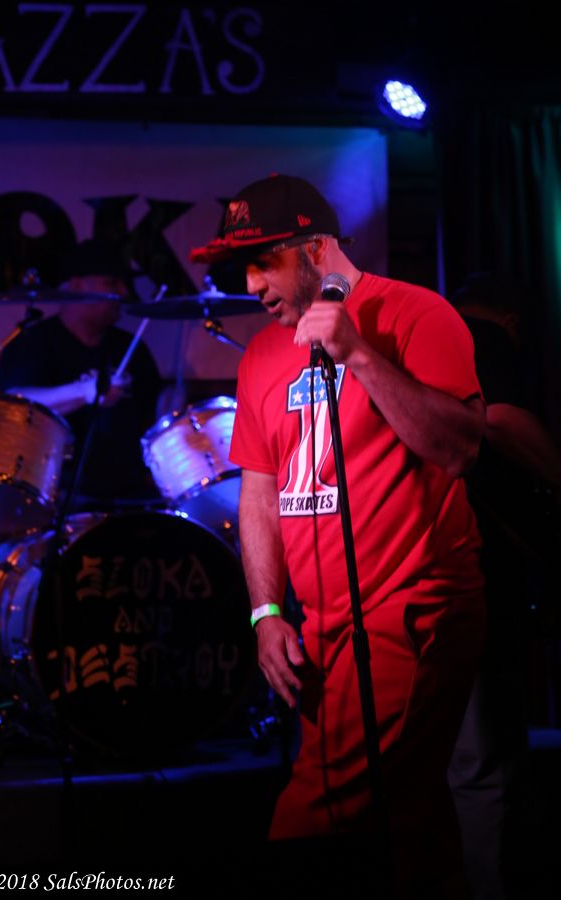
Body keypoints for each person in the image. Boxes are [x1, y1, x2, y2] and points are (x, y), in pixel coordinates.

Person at [190, 174, 487, 898]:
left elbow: (460, 448)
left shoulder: (415, 314)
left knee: (320, 814)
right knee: (405, 824)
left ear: (318, 249)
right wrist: (266, 613)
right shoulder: (262, 356)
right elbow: (260, 492)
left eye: (265, 262)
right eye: (244, 267)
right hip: (324, 628)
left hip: (411, 605)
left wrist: (357, 354)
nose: (251, 284)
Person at [447, 273, 561, 900]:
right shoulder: (482, 336)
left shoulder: (433, 336)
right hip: (478, 565)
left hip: (437, 570)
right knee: (486, 758)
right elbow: (502, 420)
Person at [0, 239, 162, 506]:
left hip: (131, 495)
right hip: (54, 496)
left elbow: (154, 416)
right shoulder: (33, 343)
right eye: (112, 283)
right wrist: (83, 392)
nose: (123, 292)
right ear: (75, 286)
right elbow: (14, 405)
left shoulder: (132, 347)